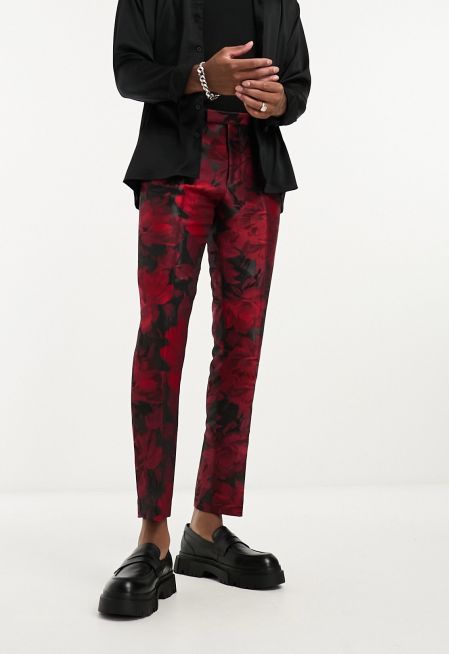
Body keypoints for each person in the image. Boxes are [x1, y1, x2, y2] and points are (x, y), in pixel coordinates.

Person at [98, 0, 311, 618]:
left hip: (256, 168)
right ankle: (153, 538)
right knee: (160, 343)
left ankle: (208, 528)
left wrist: (281, 103)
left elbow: (297, 84)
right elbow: (128, 71)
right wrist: (198, 78)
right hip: (175, 168)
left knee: (241, 345)